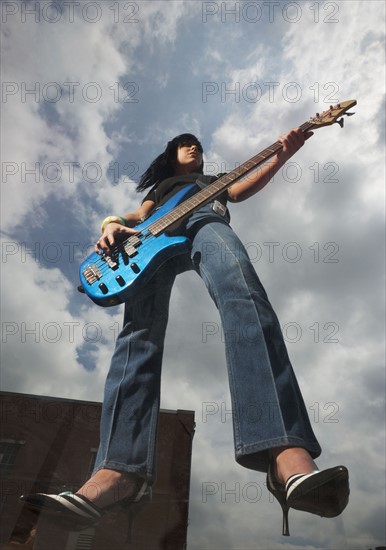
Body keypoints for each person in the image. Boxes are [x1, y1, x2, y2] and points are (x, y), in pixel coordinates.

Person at [20, 129, 349, 536]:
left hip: (205, 220)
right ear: (171, 155)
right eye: (185, 143)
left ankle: (285, 451)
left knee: (244, 298)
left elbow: (241, 190)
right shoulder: (163, 186)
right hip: (147, 241)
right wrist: (112, 224)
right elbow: (138, 217)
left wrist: (282, 154)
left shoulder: (211, 183)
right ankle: (119, 471)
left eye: (199, 145)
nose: (194, 147)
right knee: (136, 337)